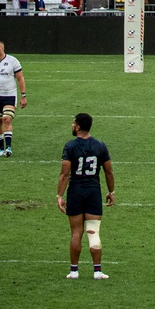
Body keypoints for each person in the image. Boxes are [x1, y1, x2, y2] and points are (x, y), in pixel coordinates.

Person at [57, 111, 114, 280]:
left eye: (73, 123)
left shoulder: (70, 146)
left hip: (75, 191)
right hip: (93, 192)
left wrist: (59, 195)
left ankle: (74, 271)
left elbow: (64, 174)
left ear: (79, 126)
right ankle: (97, 271)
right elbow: (108, 172)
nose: (72, 126)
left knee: (76, 233)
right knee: (93, 232)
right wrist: (111, 192)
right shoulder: (100, 145)